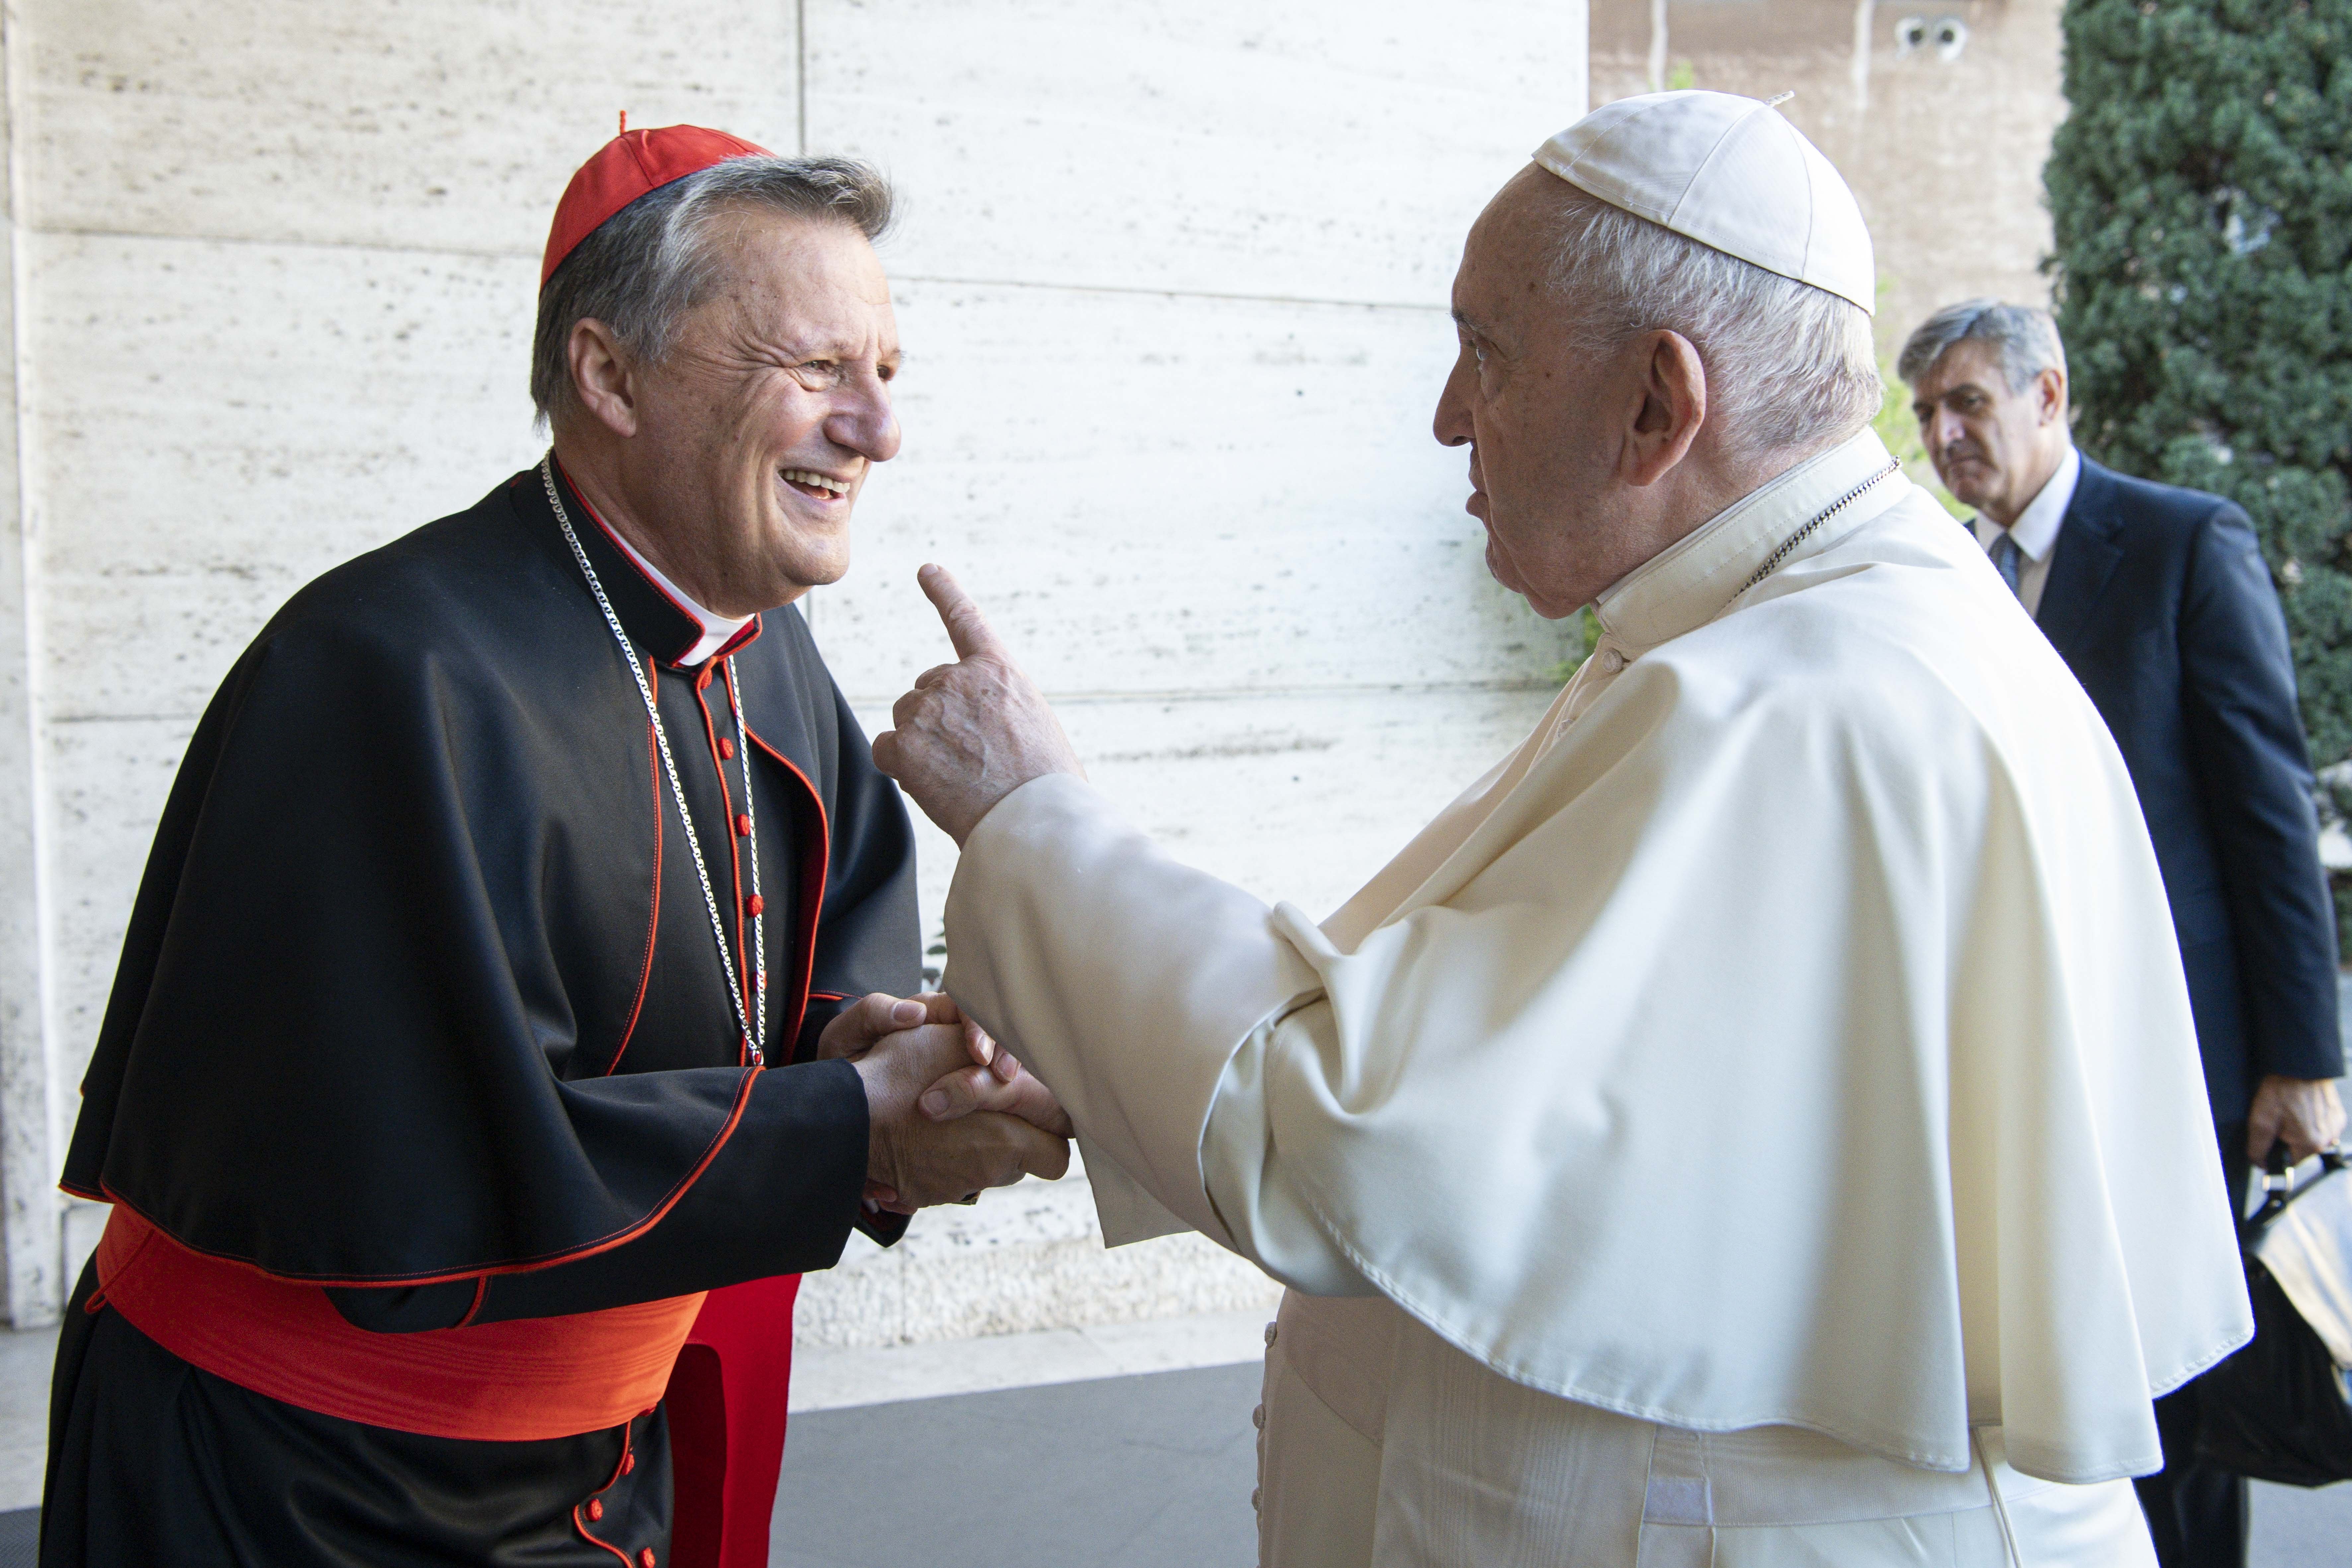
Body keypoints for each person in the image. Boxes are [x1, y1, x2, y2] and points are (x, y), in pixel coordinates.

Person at [873, 92, 2252, 1565]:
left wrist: (1030, 819)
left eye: (1486, 351)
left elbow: (1353, 1136)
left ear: (1657, 405)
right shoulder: (1772, 628)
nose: (1447, 416)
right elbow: (1490, 1077)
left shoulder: (1798, 695)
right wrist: (1094, 1050)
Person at [41, 125, 1070, 1568]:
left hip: (595, 1463)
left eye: (885, 374)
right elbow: (431, 1157)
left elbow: (810, 963)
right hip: (307, 1487)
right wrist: (858, 1129)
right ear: (608, 374)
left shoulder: (766, 648)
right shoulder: (387, 672)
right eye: (815, 371)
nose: (876, 430)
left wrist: (878, 1048)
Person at [1900, 299, 2348, 1568]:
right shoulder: (1955, 574)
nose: (1943, 436)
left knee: (2182, 1380)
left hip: (2184, 1051)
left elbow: (2269, 811)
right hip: (2026, 1046)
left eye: (1968, 403)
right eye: (1928, 412)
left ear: (2050, 397)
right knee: (2065, 1361)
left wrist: (2304, 1060)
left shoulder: (2182, 541)